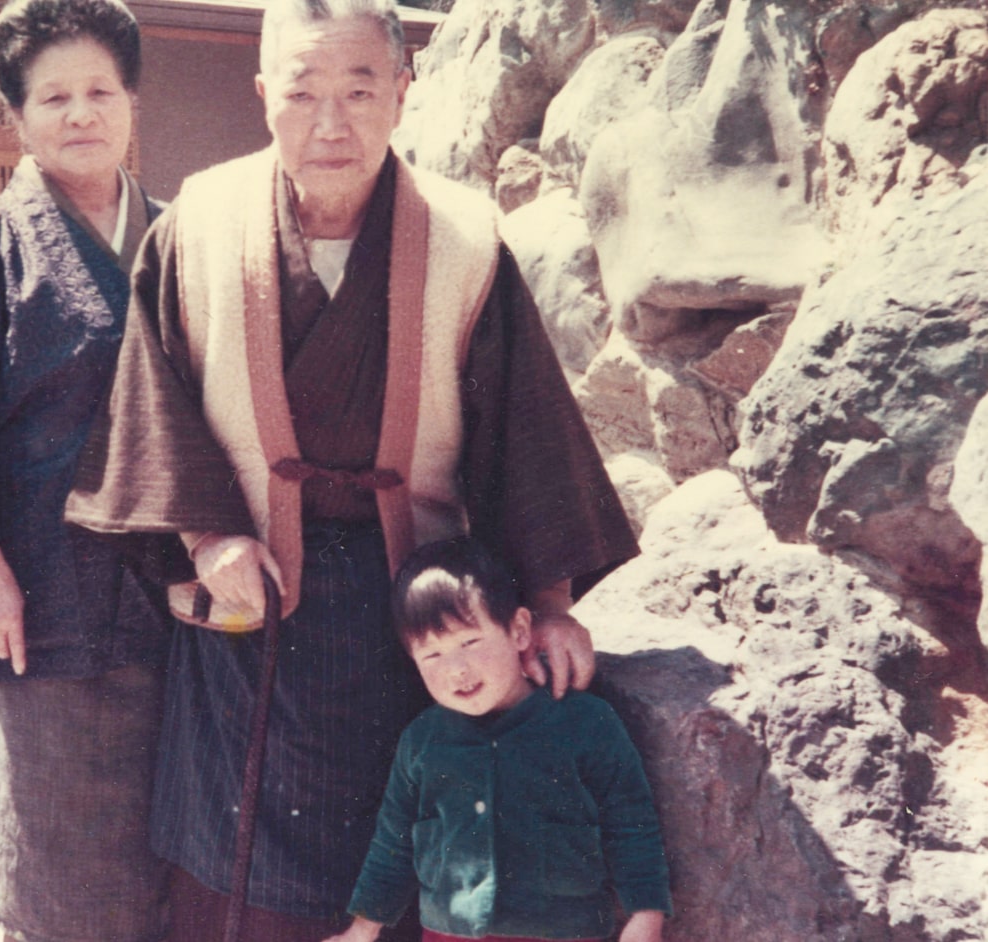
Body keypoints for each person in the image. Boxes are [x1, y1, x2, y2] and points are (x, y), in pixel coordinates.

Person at [65, 0, 640, 938]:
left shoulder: (464, 235)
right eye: (303, 93)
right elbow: (153, 397)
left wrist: (552, 601)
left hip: (409, 601)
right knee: (239, 867)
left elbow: (521, 429)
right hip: (254, 592)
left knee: (413, 844)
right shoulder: (198, 220)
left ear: (403, 94)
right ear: (262, 96)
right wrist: (208, 538)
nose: (331, 123)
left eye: (360, 90)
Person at [0, 1, 170, 940]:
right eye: (54, 96)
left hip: (173, 587)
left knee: (170, 827)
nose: (81, 113)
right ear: (16, 115)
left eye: (101, 90)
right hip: (44, 590)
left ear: (133, 102)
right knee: (53, 829)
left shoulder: (181, 239)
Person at [324, 538, 672, 942]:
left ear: (520, 630)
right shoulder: (421, 741)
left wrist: (647, 915)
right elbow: (393, 843)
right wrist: (362, 930)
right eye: (432, 656)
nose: (456, 669)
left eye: (469, 642)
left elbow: (632, 826)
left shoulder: (585, 724)